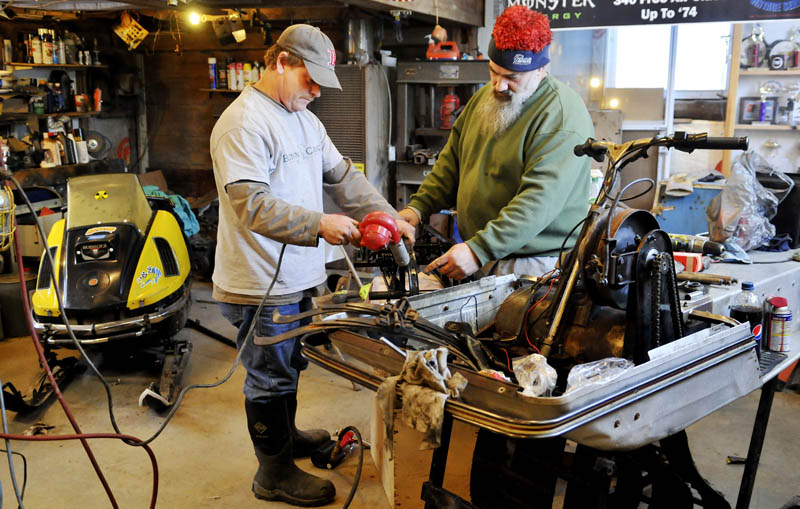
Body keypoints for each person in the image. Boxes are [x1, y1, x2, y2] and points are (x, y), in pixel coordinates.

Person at [210, 24, 413, 507]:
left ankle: (287, 436)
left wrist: (385, 214)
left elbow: (342, 176)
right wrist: (319, 224)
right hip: (260, 281)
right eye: (310, 78)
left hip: (300, 275)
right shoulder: (244, 123)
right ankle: (273, 473)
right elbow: (251, 205)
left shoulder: (304, 119)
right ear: (281, 62)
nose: (317, 91)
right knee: (268, 375)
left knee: (289, 366)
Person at [398, 6, 594, 280]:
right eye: (494, 72)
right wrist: (417, 208)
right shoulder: (484, 100)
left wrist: (480, 249)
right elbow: (450, 163)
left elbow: (538, 202)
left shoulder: (561, 117)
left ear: (542, 70)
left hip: (531, 266)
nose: (499, 86)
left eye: (512, 77)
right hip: (482, 255)